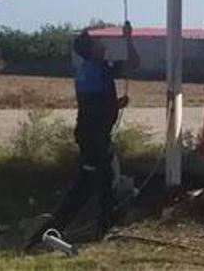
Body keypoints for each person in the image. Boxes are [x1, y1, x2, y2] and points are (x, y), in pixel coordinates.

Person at [26, 22, 139, 251]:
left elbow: (92, 105)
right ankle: (64, 230)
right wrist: (128, 37)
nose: (103, 45)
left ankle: (80, 228)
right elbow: (134, 64)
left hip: (90, 136)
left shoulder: (89, 70)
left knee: (97, 182)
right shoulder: (100, 68)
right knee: (101, 181)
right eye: (98, 43)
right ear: (91, 50)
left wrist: (114, 105)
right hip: (95, 138)